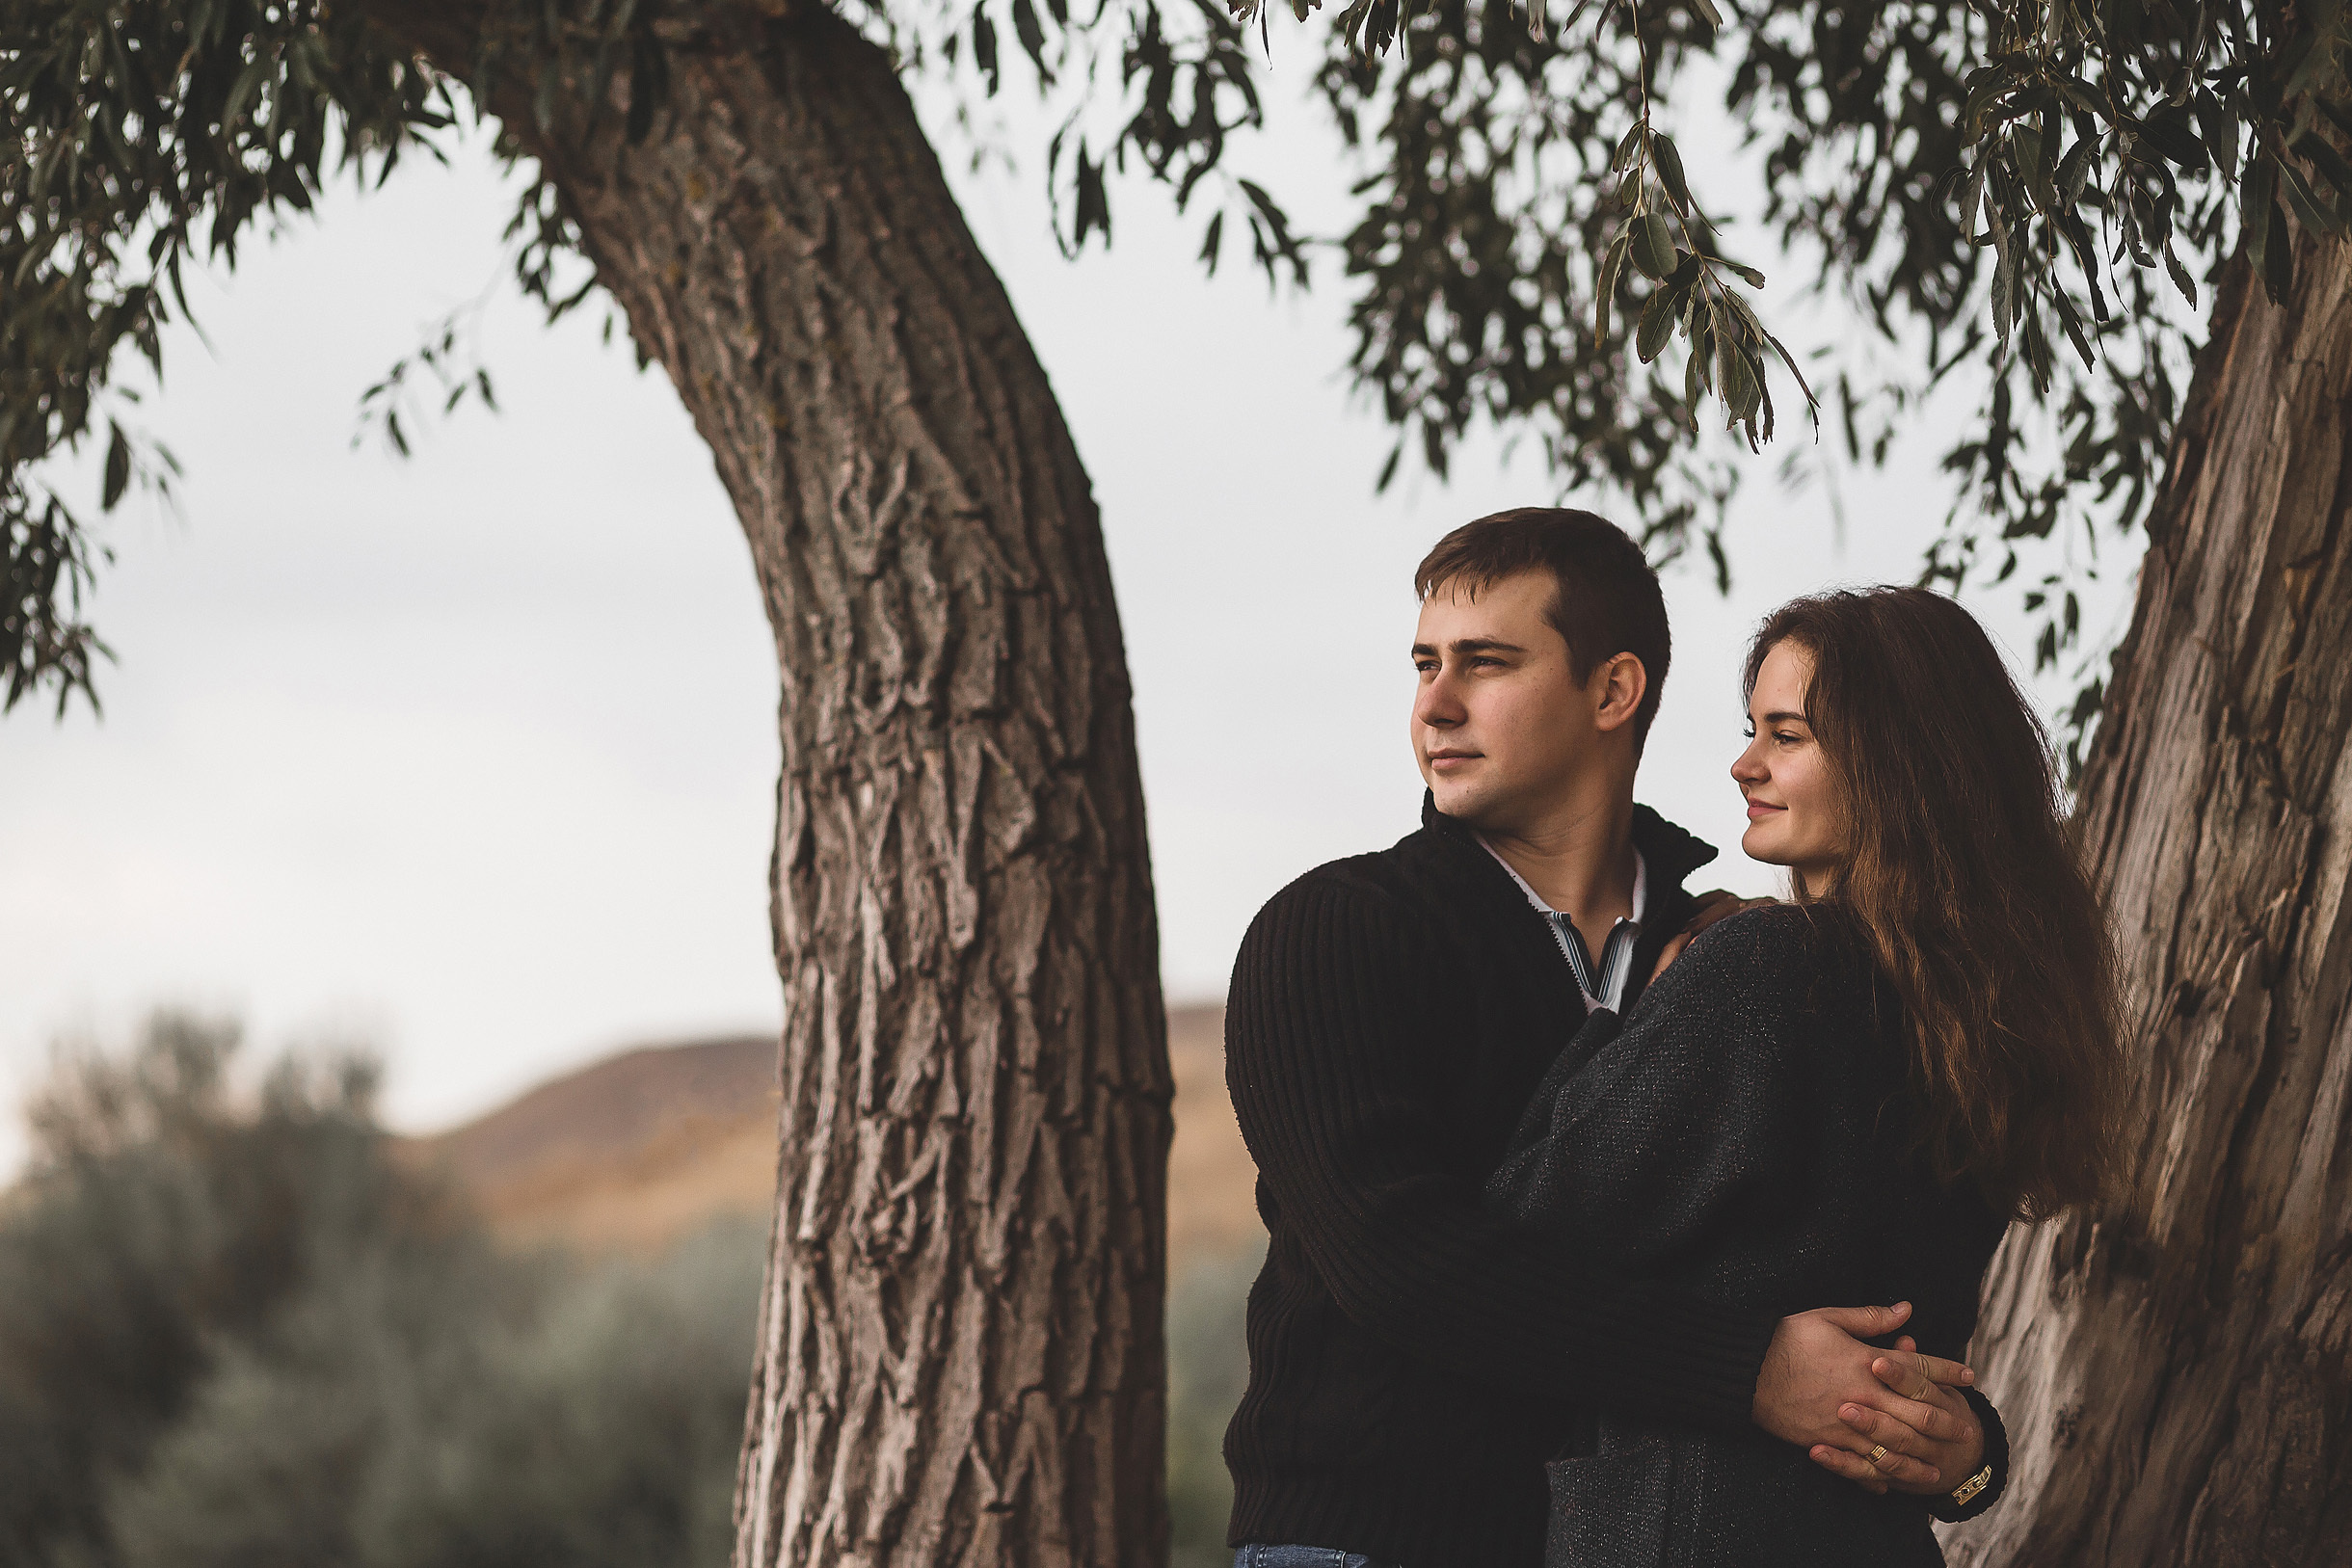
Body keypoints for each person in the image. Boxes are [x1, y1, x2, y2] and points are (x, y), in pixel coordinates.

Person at [1222, 513, 2011, 1568]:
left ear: (1612, 691)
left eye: (1484, 663)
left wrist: (1962, 1450)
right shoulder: (1336, 929)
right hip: (1371, 1547)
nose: (1434, 704)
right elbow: (1399, 1268)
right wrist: (1751, 1373)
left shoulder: (1730, 956)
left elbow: (1834, 1274)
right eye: (1423, 664)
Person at [1486, 585, 2128, 1566]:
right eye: (1754, 729)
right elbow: (1924, 1388)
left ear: (1895, 765)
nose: (1744, 762)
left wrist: (1631, 1003)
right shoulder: (1981, 1022)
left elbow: (1520, 1225)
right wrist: (1974, 1460)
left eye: (1786, 734)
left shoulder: (1766, 969)